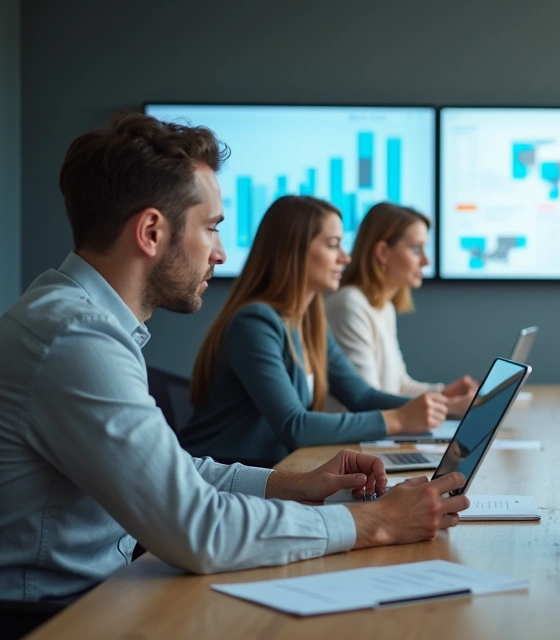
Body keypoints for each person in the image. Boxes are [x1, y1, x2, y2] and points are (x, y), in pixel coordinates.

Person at [0, 113, 469, 604]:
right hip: (58, 617)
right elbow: (198, 529)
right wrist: (374, 521)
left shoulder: (81, 318)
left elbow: (175, 471)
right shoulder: (78, 337)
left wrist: (296, 485)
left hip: (108, 595)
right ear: (152, 232)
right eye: (211, 229)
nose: (220, 254)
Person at [179, 196, 449, 465]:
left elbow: (361, 396)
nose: (346, 257)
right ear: (294, 251)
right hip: (218, 479)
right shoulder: (254, 323)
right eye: (333, 245)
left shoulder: (308, 320)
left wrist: (430, 408)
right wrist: (399, 419)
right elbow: (295, 426)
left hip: (268, 472)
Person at [327, 203, 476, 414]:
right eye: (416, 249)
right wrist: (449, 407)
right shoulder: (349, 305)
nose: (425, 260)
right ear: (382, 252)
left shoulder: (383, 307)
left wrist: (445, 393)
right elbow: (368, 399)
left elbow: (400, 386)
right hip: (353, 440)